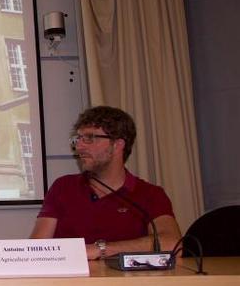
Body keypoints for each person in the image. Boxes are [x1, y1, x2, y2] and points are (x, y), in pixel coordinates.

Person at [30, 106, 181, 260]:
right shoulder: (63, 187)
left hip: (126, 283)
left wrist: (100, 249)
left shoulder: (150, 194)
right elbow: (36, 249)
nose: (79, 146)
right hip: (70, 283)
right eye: (78, 139)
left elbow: (173, 244)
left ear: (117, 145)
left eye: (89, 138)